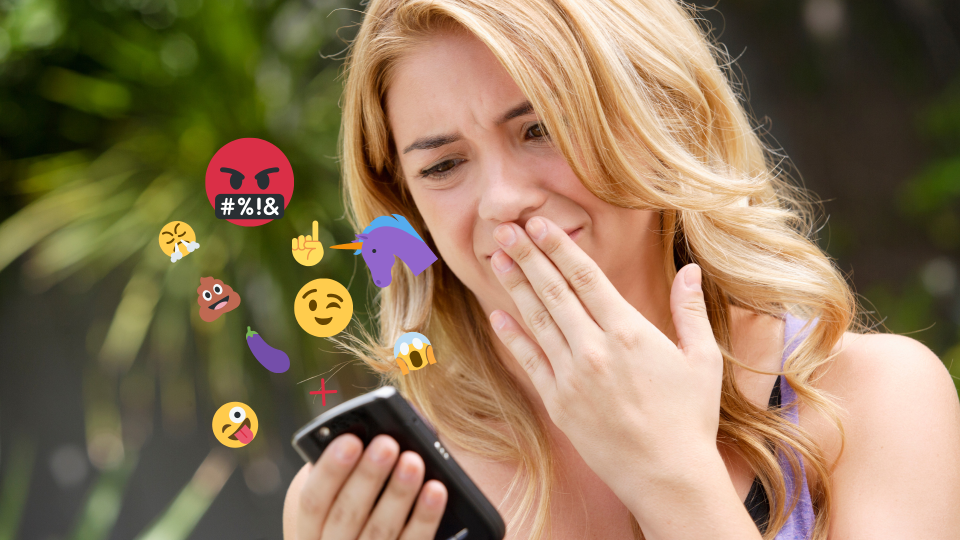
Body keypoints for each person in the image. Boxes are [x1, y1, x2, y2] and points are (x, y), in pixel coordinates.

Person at [283, 0, 960, 538]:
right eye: (443, 166)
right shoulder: (386, 491)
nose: (502, 201)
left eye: (539, 128)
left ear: (660, 113)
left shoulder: (871, 401)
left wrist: (671, 473)